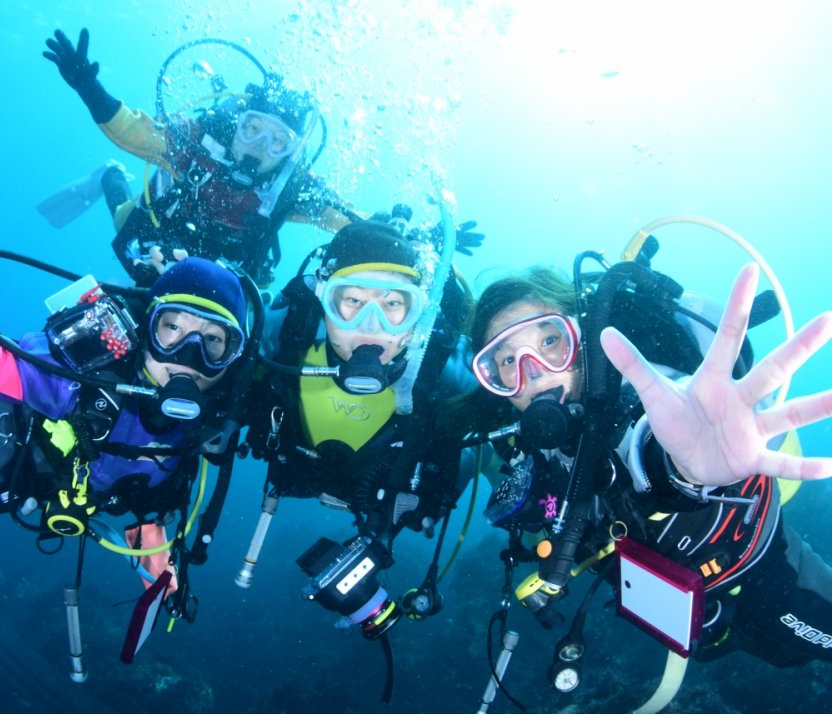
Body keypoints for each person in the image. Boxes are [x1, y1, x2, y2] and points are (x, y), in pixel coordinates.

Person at [0, 187, 253, 650]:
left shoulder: (211, 422)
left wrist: (159, 568)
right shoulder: (86, 374)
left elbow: (149, 504)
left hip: (98, 497)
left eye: (213, 342)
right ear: (145, 327)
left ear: (230, 359)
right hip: (36, 463)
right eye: (172, 329)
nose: (187, 358)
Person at [460, 259, 832, 704]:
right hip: (697, 612)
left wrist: (686, 465)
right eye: (505, 361)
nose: (533, 369)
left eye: (549, 341)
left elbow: (650, 452)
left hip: (759, 569)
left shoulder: (642, 398)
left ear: (579, 339)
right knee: (768, 652)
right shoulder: (526, 446)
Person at [41, 29, 485, 288]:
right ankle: (109, 177)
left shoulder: (292, 189)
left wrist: (423, 237)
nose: (258, 146)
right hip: (154, 234)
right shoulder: (198, 141)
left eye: (277, 142)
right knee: (121, 217)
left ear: (291, 153)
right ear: (236, 123)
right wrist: (89, 89)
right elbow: (137, 134)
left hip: (222, 276)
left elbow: (353, 223)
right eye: (252, 129)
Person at [243, 219, 477, 640]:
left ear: (417, 313)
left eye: (393, 305)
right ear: (321, 300)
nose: (371, 327)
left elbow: (506, 428)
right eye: (350, 300)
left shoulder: (446, 370)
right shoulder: (284, 341)